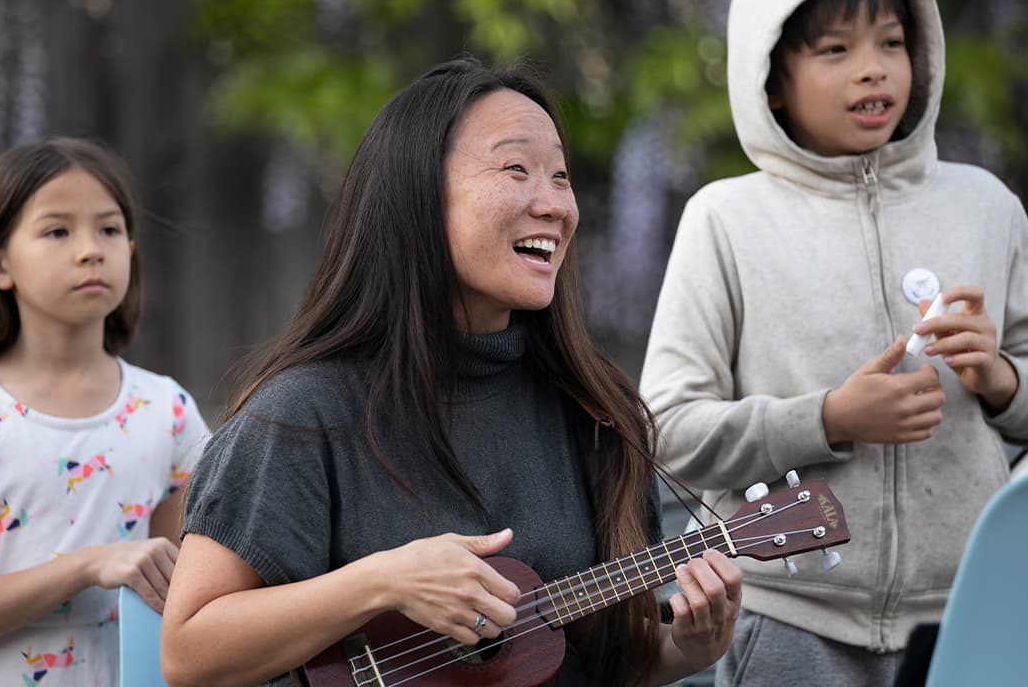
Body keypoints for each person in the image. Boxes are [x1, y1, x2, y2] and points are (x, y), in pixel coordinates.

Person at [159, 57, 743, 687]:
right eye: (516, 168)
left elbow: (605, 660)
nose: (554, 205)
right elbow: (189, 654)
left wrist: (688, 648)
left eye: (561, 176)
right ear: (416, 194)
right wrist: (381, 582)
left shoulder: (596, 411)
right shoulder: (303, 414)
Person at [640, 0, 1028, 685]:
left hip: (968, 616)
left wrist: (999, 378)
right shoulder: (725, 219)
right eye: (835, 50)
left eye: (893, 42)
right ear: (770, 79)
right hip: (786, 618)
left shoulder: (986, 207)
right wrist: (830, 418)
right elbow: (670, 430)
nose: (873, 68)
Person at [0, 137, 209, 686]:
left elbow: (179, 593)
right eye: (58, 231)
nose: (91, 249)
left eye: (109, 229)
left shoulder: (169, 413)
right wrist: (89, 565)